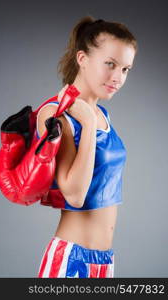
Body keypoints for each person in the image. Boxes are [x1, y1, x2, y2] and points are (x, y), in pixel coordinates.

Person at [36, 15, 137, 278]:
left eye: (125, 69)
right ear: (82, 59)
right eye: (110, 64)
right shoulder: (55, 115)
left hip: (104, 261)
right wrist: (89, 124)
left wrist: (92, 119)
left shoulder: (102, 114)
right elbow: (75, 196)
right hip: (70, 260)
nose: (118, 77)